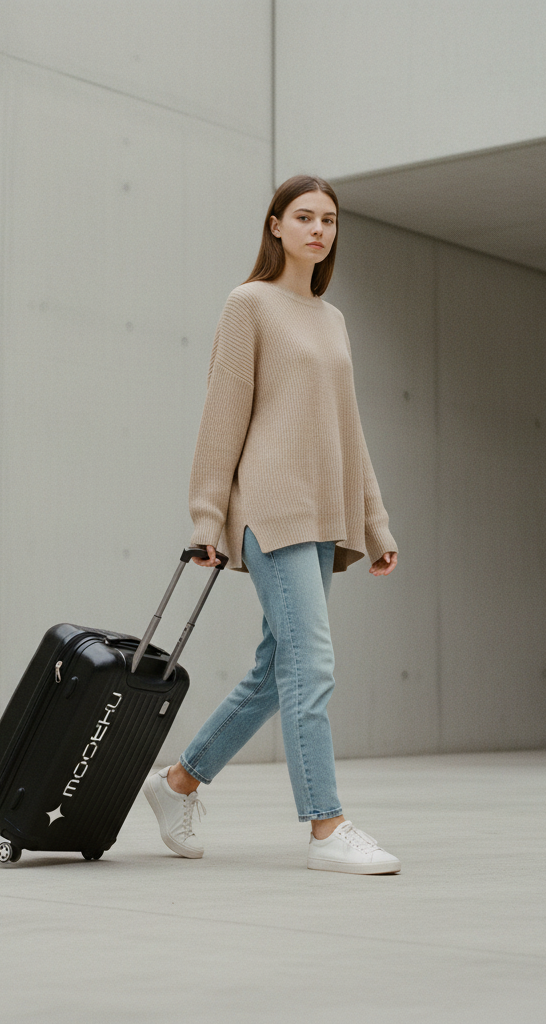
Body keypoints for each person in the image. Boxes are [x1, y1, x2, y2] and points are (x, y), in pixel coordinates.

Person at [142, 176, 401, 875]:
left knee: (275, 671)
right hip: (271, 510)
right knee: (312, 664)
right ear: (276, 225)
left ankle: (177, 785)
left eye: (330, 220)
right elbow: (222, 416)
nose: (319, 229)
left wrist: (376, 526)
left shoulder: (332, 318)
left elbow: (350, 431)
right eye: (305, 217)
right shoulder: (248, 304)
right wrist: (208, 519)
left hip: (324, 513)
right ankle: (327, 827)